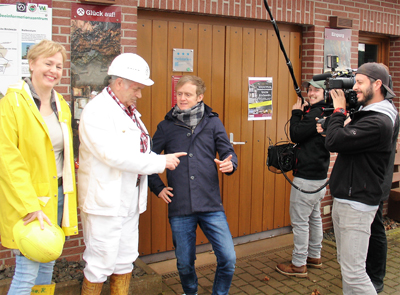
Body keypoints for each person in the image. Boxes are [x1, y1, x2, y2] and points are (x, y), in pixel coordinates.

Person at [78, 53, 186, 295]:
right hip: (105, 203)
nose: (139, 94)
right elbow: (113, 155)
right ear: (119, 83)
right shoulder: (97, 111)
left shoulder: (129, 111)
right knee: (99, 264)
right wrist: (160, 162)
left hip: (128, 201)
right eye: (136, 89)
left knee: (125, 259)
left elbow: (139, 147)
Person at [0, 39, 79, 295]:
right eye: (48, 63)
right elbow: (8, 161)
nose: (53, 70)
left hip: (57, 199)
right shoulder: (11, 104)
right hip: (30, 201)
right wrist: (30, 206)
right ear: (32, 63)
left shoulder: (62, 106)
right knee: (26, 272)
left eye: (58, 65)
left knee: (47, 265)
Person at [148, 75, 238, 295]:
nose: (182, 98)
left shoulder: (213, 122)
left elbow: (227, 151)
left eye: (187, 94)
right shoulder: (166, 126)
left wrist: (230, 163)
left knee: (228, 258)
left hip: (210, 204)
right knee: (184, 264)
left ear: (200, 97)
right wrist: (158, 187)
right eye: (179, 94)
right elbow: (147, 159)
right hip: (181, 206)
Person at [324, 62, 398, 294]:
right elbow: (344, 137)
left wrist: (338, 110)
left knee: (354, 272)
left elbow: (334, 141)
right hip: (351, 196)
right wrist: (338, 123)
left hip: (356, 202)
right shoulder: (373, 114)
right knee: (349, 267)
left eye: (359, 82)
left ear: (377, 85)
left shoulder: (378, 121)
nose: (354, 87)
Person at [276, 80, 331, 277]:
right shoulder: (327, 111)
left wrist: (296, 113)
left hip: (306, 179)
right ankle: (314, 256)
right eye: (310, 90)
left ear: (326, 93)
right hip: (319, 177)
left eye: (317, 90)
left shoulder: (316, 113)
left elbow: (295, 134)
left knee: (300, 222)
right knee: (315, 217)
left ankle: (299, 264)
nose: (312, 93)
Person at [366, 65, 399, 294]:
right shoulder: (381, 108)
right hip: (376, 179)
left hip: (377, 180)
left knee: (375, 229)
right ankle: (369, 275)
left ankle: (375, 279)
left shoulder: (385, 113)